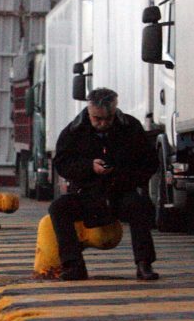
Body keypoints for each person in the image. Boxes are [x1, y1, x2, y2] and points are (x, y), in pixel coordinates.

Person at [49, 87, 160, 281]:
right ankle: (73, 265)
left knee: (139, 206)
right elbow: (62, 163)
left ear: (115, 110)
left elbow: (150, 162)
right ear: (89, 111)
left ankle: (144, 264)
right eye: (97, 119)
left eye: (107, 119)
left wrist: (122, 172)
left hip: (121, 191)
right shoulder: (74, 131)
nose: (102, 124)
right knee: (58, 208)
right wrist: (89, 167)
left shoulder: (130, 127)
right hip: (88, 193)